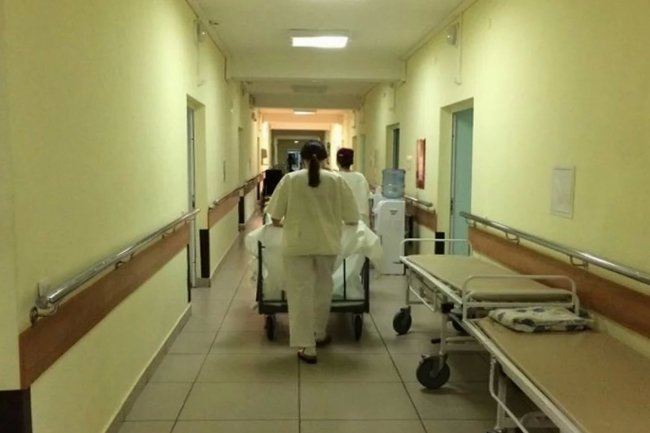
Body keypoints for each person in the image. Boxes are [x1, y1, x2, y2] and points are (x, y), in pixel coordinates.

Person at [267, 140, 359, 364]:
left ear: (303, 159)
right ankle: (319, 333)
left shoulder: (290, 180)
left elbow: (275, 217)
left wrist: (289, 224)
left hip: (297, 245)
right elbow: (352, 218)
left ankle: (307, 347)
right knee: (323, 290)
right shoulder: (337, 181)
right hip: (327, 245)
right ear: (326, 158)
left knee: (300, 294)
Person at [336, 148, 371, 224]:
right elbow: (369, 200)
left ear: (337, 162)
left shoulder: (335, 178)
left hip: (341, 223)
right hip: (362, 222)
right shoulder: (361, 177)